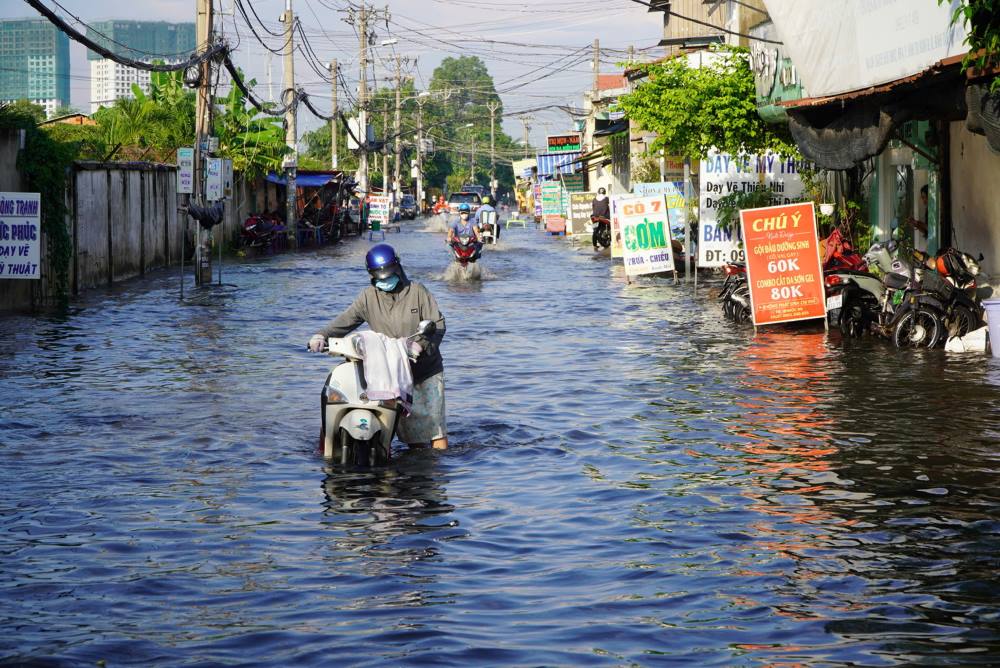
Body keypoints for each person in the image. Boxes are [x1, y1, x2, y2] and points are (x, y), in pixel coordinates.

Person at [308, 243, 448, 449]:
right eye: (379, 276)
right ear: (372, 276)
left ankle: (437, 470)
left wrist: (420, 345)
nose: (385, 280)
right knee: (399, 430)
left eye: (389, 274)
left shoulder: (417, 292)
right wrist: (321, 335)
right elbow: (344, 321)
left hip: (423, 372)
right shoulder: (368, 298)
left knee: (434, 429)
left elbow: (437, 326)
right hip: (389, 374)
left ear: (398, 269)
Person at [591, 187, 611, 251]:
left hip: (595, 217)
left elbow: (593, 207)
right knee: (611, 226)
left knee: (594, 230)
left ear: (598, 192)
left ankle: (594, 245)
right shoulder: (606, 198)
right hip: (605, 217)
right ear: (604, 192)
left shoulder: (594, 199)